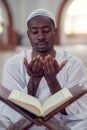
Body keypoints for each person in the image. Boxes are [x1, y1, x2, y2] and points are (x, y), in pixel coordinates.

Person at [0, 9, 87, 130]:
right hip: (25, 122)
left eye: (46, 31)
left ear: (55, 31)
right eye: (35, 32)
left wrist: (52, 80)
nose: (40, 36)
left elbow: (78, 110)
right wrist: (34, 81)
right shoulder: (13, 63)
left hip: (63, 123)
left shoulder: (73, 63)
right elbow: (12, 110)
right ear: (28, 34)